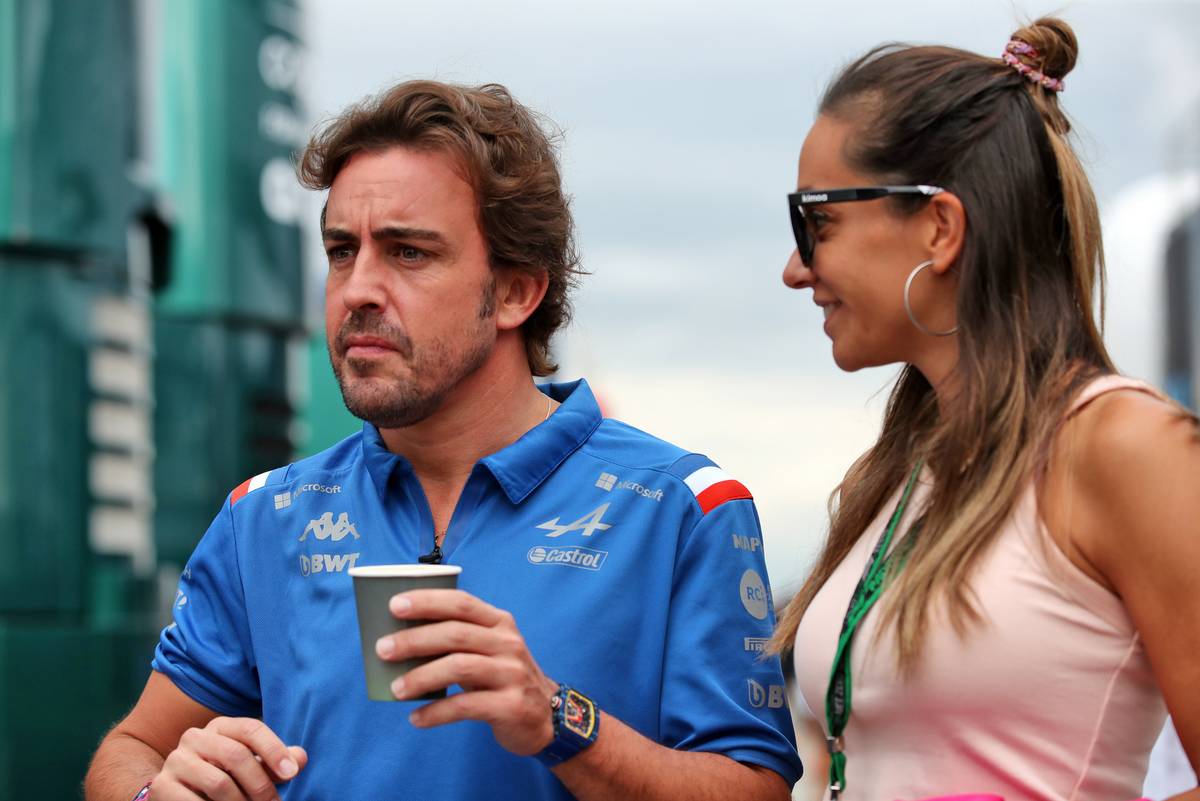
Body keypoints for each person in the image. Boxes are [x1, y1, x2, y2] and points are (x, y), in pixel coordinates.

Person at [84, 81, 801, 801]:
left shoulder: (681, 508)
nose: (358, 288)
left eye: (408, 253)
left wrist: (556, 716)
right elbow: (132, 746)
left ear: (517, 292)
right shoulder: (261, 517)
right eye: (341, 250)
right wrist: (157, 793)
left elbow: (755, 790)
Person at [771, 17, 1200, 801]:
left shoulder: (1123, 444)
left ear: (939, 226)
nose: (797, 267)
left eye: (816, 220)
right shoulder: (901, 469)